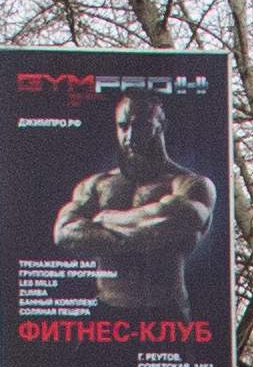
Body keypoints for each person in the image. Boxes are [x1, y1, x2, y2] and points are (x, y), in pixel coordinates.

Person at [48, 89, 221, 313]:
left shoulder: (191, 184)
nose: (129, 136)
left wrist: (104, 219)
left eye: (140, 126)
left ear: (161, 126)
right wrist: (145, 236)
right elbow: (65, 233)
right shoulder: (97, 184)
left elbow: (184, 218)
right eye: (122, 126)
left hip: (165, 311)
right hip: (106, 310)